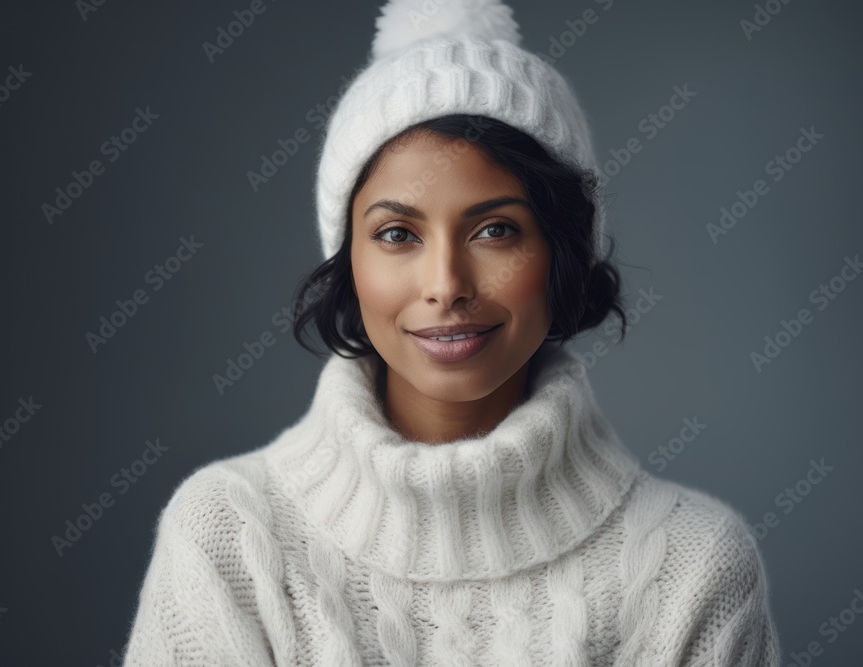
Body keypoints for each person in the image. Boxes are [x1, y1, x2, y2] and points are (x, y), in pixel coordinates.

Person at [123, 0, 782, 664]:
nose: (446, 283)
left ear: (563, 251)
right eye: (397, 234)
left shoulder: (696, 568)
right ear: (349, 260)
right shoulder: (227, 539)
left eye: (495, 230)